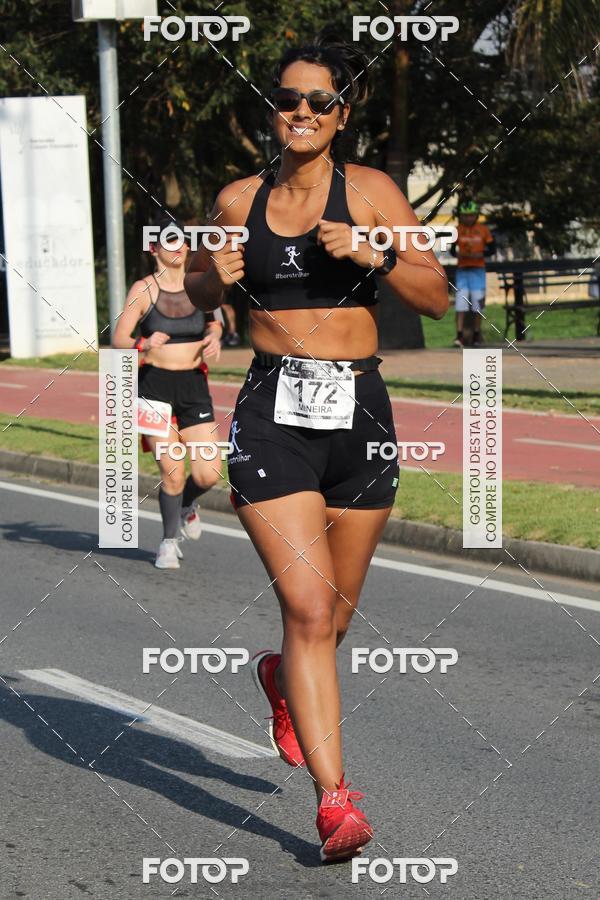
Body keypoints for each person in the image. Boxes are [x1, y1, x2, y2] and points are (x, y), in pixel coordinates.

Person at [185, 34, 448, 861]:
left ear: (343, 112)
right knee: (306, 608)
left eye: (319, 101)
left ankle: (280, 680)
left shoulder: (371, 192)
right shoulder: (235, 199)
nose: (302, 112)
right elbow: (193, 287)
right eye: (289, 100)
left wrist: (376, 253)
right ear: (274, 110)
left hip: (360, 414)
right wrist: (210, 279)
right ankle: (336, 803)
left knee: (330, 619)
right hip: (272, 414)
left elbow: (435, 296)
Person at [112, 216, 224, 569]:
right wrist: (143, 342)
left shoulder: (199, 285)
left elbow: (215, 321)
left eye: (182, 241)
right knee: (172, 470)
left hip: (193, 385)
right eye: (170, 241)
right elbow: (118, 339)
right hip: (153, 386)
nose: (179, 248)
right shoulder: (143, 290)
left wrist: (215, 337)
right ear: (154, 248)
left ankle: (189, 503)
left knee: (208, 473)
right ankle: (167, 541)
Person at [451, 200, 496, 347]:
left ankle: (476, 335)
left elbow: (492, 249)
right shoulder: (457, 230)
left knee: (477, 304)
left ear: (475, 215)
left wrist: (481, 254)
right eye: (465, 216)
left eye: (471, 215)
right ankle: (459, 336)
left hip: (478, 270)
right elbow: (452, 250)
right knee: (460, 304)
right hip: (463, 270)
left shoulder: (483, 230)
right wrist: (458, 255)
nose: (468, 218)